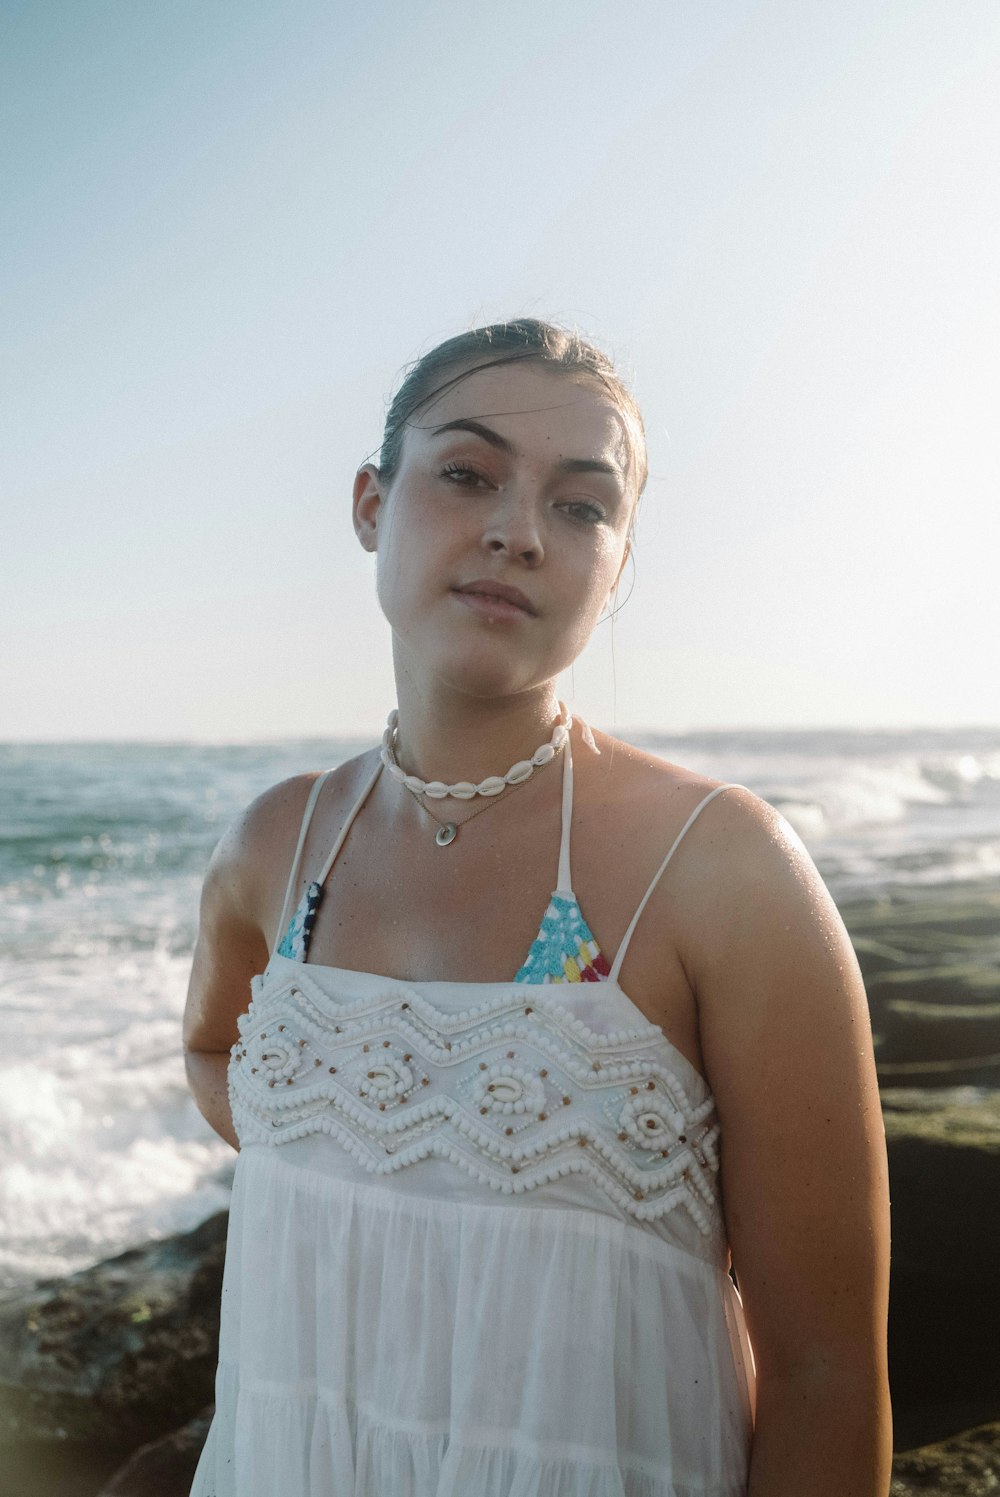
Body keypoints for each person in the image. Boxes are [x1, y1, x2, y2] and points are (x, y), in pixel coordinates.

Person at [184, 319, 891, 1496]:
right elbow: (214, 1050)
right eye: (466, 473)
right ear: (371, 503)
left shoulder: (717, 868)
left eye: (581, 506)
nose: (517, 530)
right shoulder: (278, 845)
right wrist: (368, 1170)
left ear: (618, 567)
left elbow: (823, 1374)